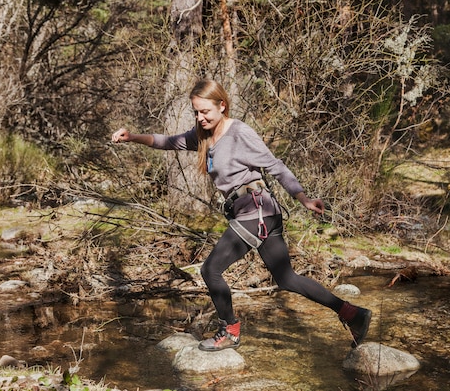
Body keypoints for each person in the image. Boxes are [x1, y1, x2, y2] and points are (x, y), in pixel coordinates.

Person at [112, 78, 372, 352]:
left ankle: (230, 331)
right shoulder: (203, 136)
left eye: (205, 112)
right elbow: (167, 141)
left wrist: (303, 198)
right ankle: (353, 314)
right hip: (258, 213)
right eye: (196, 112)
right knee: (287, 279)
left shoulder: (239, 133)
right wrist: (133, 138)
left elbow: (276, 165)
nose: (200, 118)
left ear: (222, 105)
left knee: (210, 270)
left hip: (256, 211)